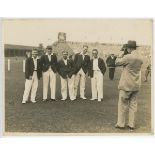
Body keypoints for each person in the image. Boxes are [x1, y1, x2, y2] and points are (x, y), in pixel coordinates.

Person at [115, 40, 143, 131]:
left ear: (129, 48)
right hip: (135, 85)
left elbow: (116, 62)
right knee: (133, 106)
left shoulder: (128, 57)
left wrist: (121, 53)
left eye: (127, 48)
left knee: (122, 105)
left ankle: (121, 124)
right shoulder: (140, 58)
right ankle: (131, 125)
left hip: (126, 85)